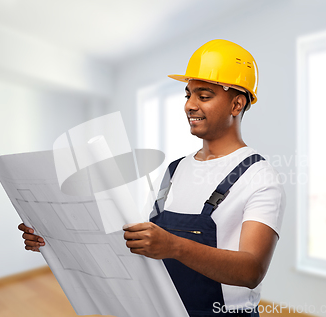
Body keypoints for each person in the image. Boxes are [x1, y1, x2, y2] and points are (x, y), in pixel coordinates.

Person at [19, 39, 285, 317]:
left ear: (237, 104)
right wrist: (55, 240)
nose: (189, 106)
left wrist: (174, 246)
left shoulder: (259, 176)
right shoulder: (175, 170)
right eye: (188, 95)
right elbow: (141, 246)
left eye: (203, 96)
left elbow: (251, 270)